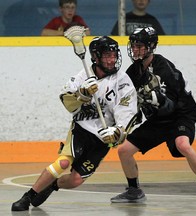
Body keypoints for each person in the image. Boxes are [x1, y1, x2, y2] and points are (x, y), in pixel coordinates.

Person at [11, 36, 137, 211]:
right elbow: (67, 102)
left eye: (114, 55)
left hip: (102, 138)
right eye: (107, 55)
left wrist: (118, 131)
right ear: (95, 57)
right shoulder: (83, 75)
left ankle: (52, 184)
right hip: (81, 129)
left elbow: (127, 111)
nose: (112, 60)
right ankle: (27, 197)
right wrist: (82, 94)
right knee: (63, 162)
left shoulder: (122, 80)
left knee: (75, 180)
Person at [110, 27, 196, 203]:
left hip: (179, 116)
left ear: (151, 46)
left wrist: (162, 101)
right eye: (133, 45)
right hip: (158, 120)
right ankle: (134, 190)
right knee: (124, 151)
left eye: (139, 46)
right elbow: (126, 100)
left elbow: (177, 100)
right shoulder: (133, 72)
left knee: (183, 145)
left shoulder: (164, 68)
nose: (135, 49)